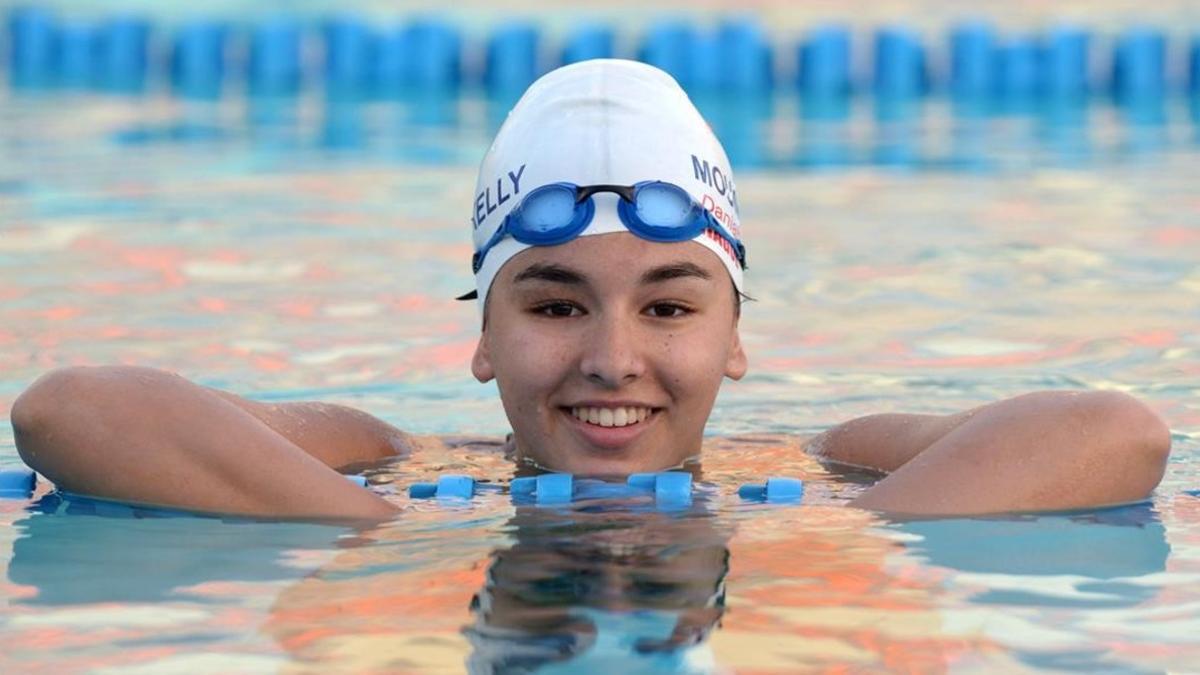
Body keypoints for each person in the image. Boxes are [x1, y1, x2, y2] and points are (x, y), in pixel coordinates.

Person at [8, 59, 1171, 520]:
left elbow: (1117, 432)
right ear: (481, 338)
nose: (614, 357)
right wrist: (371, 530)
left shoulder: (824, 466)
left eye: (671, 305)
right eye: (556, 304)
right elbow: (72, 409)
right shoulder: (389, 463)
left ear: (736, 338)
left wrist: (856, 535)